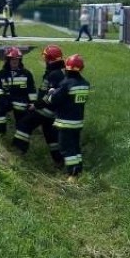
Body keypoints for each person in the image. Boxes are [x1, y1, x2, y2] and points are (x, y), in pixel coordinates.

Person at [12, 44, 66, 165]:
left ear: (50, 59)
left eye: (46, 58)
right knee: (51, 138)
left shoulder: (54, 74)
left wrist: (36, 106)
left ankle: (18, 151)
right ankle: (60, 162)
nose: (45, 60)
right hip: (51, 113)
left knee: (24, 124)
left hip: (44, 110)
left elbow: (51, 96)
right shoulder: (56, 73)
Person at [44, 54, 90, 182]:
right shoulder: (85, 84)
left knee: (66, 148)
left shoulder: (65, 84)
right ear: (81, 69)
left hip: (65, 123)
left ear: (67, 68)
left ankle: (72, 174)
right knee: (75, 147)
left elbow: (54, 101)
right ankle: (79, 169)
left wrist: (51, 93)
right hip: (78, 123)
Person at [0, 46, 36, 134]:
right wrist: (2, 97)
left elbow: (31, 89)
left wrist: (32, 103)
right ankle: (0, 132)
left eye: (17, 59)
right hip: (7, 99)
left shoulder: (26, 74)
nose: (15, 61)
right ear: (7, 60)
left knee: (22, 120)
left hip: (21, 100)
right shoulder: (2, 73)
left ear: (20, 60)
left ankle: (19, 139)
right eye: (12, 59)